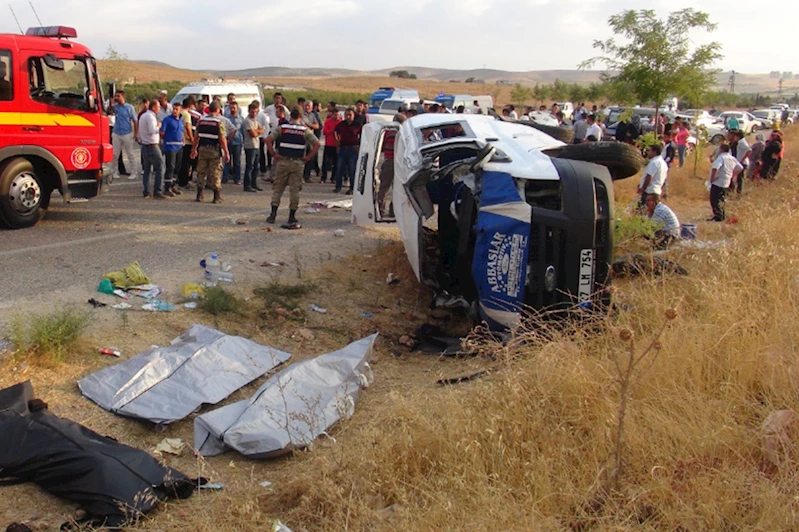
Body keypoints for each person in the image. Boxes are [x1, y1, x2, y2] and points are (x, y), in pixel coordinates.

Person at [265, 108, 320, 228]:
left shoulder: (283, 128)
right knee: (294, 190)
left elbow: (268, 140)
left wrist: (273, 154)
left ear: (290, 116)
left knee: (278, 189)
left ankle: (273, 215)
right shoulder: (304, 130)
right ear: (301, 117)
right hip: (297, 163)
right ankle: (291, 216)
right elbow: (317, 144)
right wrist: (308, 157)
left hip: (283, 161)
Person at [191, 102, 230, 204]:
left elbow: (196, 137)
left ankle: (199, 194)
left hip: (202, 149)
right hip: (214, 150)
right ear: (217, 110)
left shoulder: (201, 121)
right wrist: (226, 152)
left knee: (201, 171)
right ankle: (216, 196)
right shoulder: (218, 122)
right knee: (215, 172)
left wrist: (194, 149)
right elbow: (222, 139)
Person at [377, 113, 406, 218]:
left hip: (389, 160)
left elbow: (382, 146)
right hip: (399, 162)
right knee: (397, 189)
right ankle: (394, 210)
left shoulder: (388, 132)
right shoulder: (403, 133)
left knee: (384, 187)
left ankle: (379, 209)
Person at [138, 100, 166, 199]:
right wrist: (158, 126)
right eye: (158, 107)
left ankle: (146, 191)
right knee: (160, 167)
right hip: (152, 145)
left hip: (144, 145)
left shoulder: (143, 116)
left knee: (146, 170)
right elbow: (152, 130)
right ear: (154, 107)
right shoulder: (151, 117)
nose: (159, 109)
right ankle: (157, 191)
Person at [708, 143, 742, 221]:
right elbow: (740, 168)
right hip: (726, 181)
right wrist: (732, 175)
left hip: (718, 181)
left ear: (721, 150)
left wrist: (712, 178)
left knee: (714, 199)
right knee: (722, 198)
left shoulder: (721, 158)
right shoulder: (732, 158)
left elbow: (715, 168)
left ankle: (718, 216)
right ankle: (722, 214)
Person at [333, 108, 362, 194]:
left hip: (353, 149)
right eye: (346, 115)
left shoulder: (358, 125)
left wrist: (359, 146)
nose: (348, 117)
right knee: (339, 168)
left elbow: (363, 135)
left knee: (352, 169)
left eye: (350, 115)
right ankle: (338, 186)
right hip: (343, 148)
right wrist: (337, 142)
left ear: (354, 115)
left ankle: (352, 188)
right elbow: (335, 131)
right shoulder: (342, 124)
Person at [159, 101, 185, 197]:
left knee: (177, 168)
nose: (174, 111)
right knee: (170, 167)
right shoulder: (167, 120)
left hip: (179, 146)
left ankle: (174, 185)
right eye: (173, 109)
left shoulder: (181, 120)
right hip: (170, 147)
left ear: (180, 110)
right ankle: (167, 188)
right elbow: (162, 132)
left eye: (176, 109)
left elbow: (182, 132)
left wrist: (183, 141)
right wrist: (166, 139)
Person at [111, 90, 139, 181]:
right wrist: (111, 103)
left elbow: (135, 120)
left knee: (130, 153)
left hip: (127, 133)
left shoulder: (129, 107)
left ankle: (134, 172)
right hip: (117, 132)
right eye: (115, 96)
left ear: (123, 97)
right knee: (115, 154)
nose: (116, 98)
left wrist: (136, 133)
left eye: (118, 96)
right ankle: (114, 172)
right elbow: (108, 112)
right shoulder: (115, 107)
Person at [178, 96, 200, 190]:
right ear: (191, 105)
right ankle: (184, 182)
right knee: (187, 163)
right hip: (187, 141)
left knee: (182, 162)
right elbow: (188, 127)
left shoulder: (180, 112)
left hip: (180, 140)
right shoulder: (186, 114)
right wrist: (192, 139)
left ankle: (180, 180)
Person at [242, 101, 264, 192]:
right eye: (252, 111)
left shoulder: (255, 120)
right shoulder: (247, 121)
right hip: (250, 146)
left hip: (256, 145)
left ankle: (254, 183)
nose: (254, 113)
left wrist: (256, 131)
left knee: (256, 166)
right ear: (249, 111)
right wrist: (257, 131)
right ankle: (247, 185)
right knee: (249, 166)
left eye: (256, 112)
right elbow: (253, 134)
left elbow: (262, 130)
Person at [637, 143, 667, 208]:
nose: (648, 153)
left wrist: (643, 188)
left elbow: (649, 176)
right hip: (656, 192)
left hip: (649, 191)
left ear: (654, 152)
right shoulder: (663, 163)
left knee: (642, 211)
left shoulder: (654, 162)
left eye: (649, 151)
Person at [222, 101, 244, 185]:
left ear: (237, 108)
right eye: (231, 108)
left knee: (237, 162)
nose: (232, 109)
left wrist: (243, 141)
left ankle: (237, 179)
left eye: (234, 108)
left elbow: (243, 131)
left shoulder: (241, 119)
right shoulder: (226, 119)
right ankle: (225, 178)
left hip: (237, 142)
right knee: (227, 161)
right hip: (228, 142)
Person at [301, 100, 321, 182]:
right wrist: (310, 126)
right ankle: (300, 176)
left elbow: (317, 126)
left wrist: (309, 125)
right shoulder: (301, 115)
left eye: (309, 106)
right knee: (301, 156)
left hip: (310, 138)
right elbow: (301, 125)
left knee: (310, 157)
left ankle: (307, 176)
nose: (307, 107)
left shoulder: (313, 115)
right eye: (306, 105)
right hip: (302, 138)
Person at [321, 107, 341, 183]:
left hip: (337, 145)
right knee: (326, 162)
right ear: (332, 115)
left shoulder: (341, 122)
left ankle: (334, 178)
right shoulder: (328, 121)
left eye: (338, 115)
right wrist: (332, 131)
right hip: (328, 144)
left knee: (336, 162)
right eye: (335, 115)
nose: (336, 117)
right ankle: (323, 178)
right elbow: (325, 132)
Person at [732, 129, 751, 195]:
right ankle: (738, 192)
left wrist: (742, 159)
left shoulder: (741, 142)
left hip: (742, 163)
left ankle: (739, 193)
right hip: (740, 162)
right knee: (738, 178)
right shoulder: (741, 142)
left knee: (740, 178)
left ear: (738, 136)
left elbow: (749, 150)